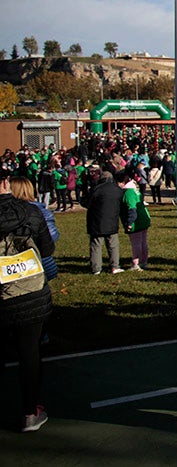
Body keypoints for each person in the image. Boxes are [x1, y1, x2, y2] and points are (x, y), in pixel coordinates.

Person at [1, 168, 56, 431]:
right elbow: (47, 248)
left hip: (10, 293)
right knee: (29, 353)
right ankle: (29, 412)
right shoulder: (31, 211)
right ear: (5, 183)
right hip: (30, 290)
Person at [87, 170, 124, 275]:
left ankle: (96, 268)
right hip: (112, 220)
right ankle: (115, 266)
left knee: (96, 245)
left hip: (96, 221)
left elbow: (86, 202)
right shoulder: (117, 190)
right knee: (113, 245)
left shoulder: (96, 189)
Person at [116, 169, 151, 271]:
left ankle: (136, 263)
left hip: (136, 221)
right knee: (143, 242)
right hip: (144, 218)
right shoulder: (135, 189)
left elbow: (132, 208)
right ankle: (144, 261)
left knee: (136, 243)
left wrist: (129, 222)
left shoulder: (128, 193)